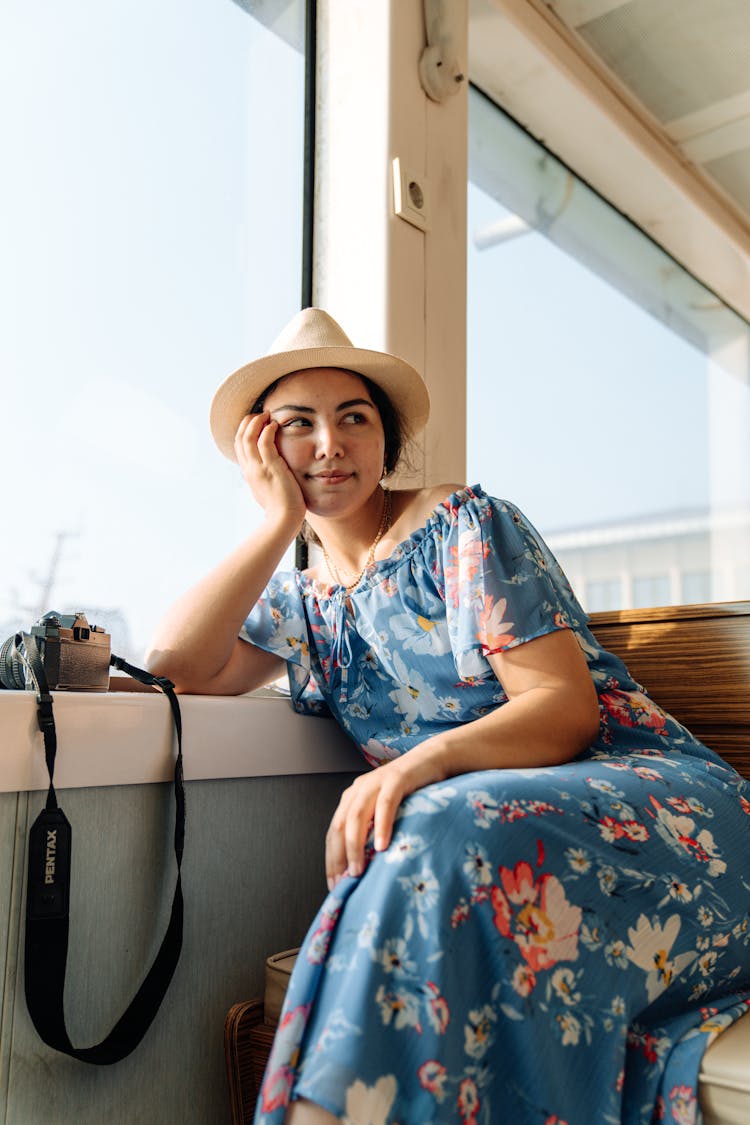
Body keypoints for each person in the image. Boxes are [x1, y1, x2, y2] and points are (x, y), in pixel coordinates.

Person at [147, 307, 750, 1125]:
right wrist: (276, 522)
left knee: (429, 818)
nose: (330, 444)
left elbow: (563, 709)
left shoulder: (464, 526)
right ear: (266, 449)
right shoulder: (305, 601)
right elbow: (173, 668)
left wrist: (414, 764)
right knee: (424, 832)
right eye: (299, 426)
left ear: (385, 439)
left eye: (353, 419)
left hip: (658, 806)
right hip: (479, 821)